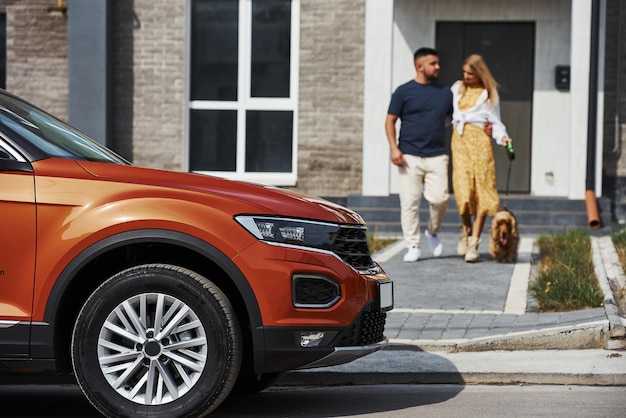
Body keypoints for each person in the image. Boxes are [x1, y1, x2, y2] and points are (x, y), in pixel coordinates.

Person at [385, 47, 452, 262]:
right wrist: (394, 148)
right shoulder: (403, 92)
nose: (438, 67)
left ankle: (432, 232)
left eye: (438, 63)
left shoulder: (445, 92)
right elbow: (390, 120)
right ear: (419, 66)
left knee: (440, 199)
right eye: (433, 63)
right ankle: (412, 245)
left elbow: (453, 118)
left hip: (437, 155)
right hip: (409, 155)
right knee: (410, 202)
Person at [450, 54, 513, 262]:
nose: (466, 76)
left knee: (481, 194)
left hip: (480, 143)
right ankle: (465, 229)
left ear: (480, 73)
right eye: (464, 72)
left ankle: (473, 242)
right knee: (463, 192)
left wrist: (502, 138)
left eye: (470, 73)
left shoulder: (488, 93)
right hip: (460, 143)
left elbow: (496, 121)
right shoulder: (456, 88)